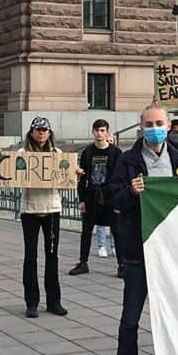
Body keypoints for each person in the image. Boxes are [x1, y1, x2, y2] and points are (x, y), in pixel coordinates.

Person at [106, 106, 178, 355]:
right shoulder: (127, 161)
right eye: (148, 124)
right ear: (140, 127)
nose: (154, 128)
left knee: (177, 317)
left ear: (168, 126)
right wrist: (130, 191)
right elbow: (113, 199)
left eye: (159, 123)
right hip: (137, 252)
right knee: (131, 317)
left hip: (170, 253)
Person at [18, 116, 68, 318]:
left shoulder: (57, 154)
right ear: (31, 132)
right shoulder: (23, 154)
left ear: (49, 133)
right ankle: (31, 302)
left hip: (52, 209)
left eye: (44, 130)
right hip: (30, 210)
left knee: (52, 256)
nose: (41, 133)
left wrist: (74, 173)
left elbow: (65, 175)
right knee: (31, 256)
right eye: (38, 130)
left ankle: (54, 301)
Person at [69, 119, 123, 277]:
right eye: (97, 131)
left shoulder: (116, 152)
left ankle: (122, 265)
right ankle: (83, 263)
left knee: (118, 232)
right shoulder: (88, 152)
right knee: (86, 232)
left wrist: (119, 200)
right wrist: (81, 199)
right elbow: (82, 178)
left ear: (107, 132)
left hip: (110, 197)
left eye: (102, 130)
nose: (99, 134)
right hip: (92, 196)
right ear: (92, 132)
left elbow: (120, 178)